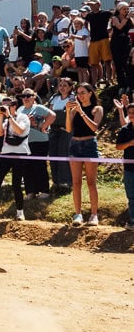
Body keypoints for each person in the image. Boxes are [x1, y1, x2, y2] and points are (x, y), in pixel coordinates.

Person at [0, 97, 31, 220]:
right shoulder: (6, 121)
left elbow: (20, 130)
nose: (5, 108)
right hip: (6, 153)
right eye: (3, 105)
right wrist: (1, 116)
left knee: (16, 184)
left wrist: (9, 116)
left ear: (14, 106)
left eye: (8, 105)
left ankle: (20, 212)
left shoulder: (23, 117)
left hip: (20, 154)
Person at [66, 83, 103, 226]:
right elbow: (69, 128)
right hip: (75, 144)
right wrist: (69, 112)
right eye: (78, 93)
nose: (80, 96)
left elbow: (94, 127)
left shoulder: (97, 109)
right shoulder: (75, 109)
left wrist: (81, 111)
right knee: (76, 182)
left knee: (91, 182)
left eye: (83, 92)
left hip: (89, 145)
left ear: (90, 93)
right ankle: (78, 214)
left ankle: (94, 214)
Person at [113, 103, 134, 231]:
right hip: (129, 168)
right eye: (130, 112)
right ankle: (132, 221)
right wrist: (130, 143)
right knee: (131, 196)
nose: (131, 115)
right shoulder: (125, 130)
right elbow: (118, 146)